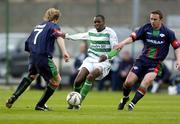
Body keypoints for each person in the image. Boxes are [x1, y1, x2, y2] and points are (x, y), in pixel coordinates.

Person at [99, 10, 180, 111]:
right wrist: (122, 43)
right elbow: (132, 37)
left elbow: (177, 47)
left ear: (160, 20)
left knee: (147, 81)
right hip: (142, 60)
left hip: (155, 63)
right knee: (128, 83)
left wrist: (178, 60)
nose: (152, 21)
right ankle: (125, 98)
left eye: (155, 19)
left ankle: (132, 104)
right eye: (151, 19)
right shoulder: (146, 28)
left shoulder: (168, 33)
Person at [5, 8, 70, 111]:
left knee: (31, 75)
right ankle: (40, 105)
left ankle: (14, 96)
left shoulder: (38, 26)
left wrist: (34, 57)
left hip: (33, 55)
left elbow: (28, 43)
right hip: (43, 56)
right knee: (56, 80)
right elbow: (58, 36)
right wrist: (65, 51)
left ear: (47, 16)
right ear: (57, 18)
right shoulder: (54, 26)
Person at [61, 14, 118, 109]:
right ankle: (73, 101)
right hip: (90, 59)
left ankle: (78, 102)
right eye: (95, 22)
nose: (96, 24)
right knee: (78, 80)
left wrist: (107, 56)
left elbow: (116, 49)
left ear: (104, 22)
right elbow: (80, 36)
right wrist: (67, 36)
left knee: (90, 76)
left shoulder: (110, 33)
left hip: (103, 62)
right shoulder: (91, 32)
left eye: (98, 22)